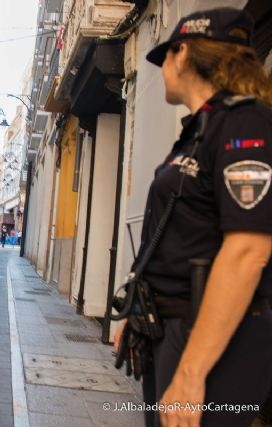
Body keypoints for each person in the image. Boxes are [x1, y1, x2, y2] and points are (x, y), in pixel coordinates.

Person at [114, 8, 272, 427]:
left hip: (210, 335)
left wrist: (192, 371)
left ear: (183, 54)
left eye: (165, 55)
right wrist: (138, 306)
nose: (162, 66)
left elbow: (248, 250)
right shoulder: (200, 129)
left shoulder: (246, 122)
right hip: (170, 328)